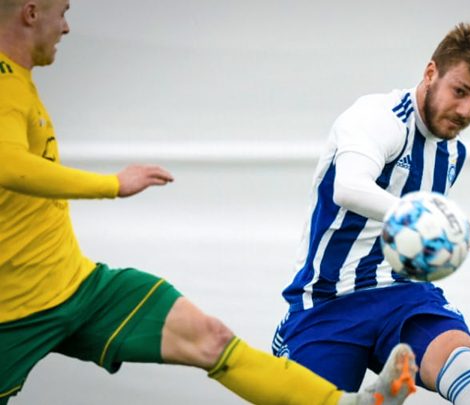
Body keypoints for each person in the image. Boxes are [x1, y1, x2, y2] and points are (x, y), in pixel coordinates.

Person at [0, 0, 419, 404]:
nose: (68, 27)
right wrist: (112, 184)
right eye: (64, 13)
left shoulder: (18, 79)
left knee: (211, 339)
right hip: (13, 315)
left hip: (81, 288)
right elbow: (10, 165)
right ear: (32, 13)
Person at [272, 22, 470, 405]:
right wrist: (429, 218)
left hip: (403, 293)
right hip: (327, 301)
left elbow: (403, 234)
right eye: (460, 91)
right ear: (431, 72)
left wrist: (434, 240)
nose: (467, 110)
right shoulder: (377, 116)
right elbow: (349, 187)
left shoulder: (452, 152)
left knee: (457, 353)